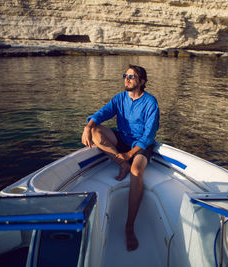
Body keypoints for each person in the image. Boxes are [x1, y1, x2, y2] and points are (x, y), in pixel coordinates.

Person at [81, 64, 160, 251]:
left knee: (136, 170)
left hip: (141, 145)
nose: (127, 79)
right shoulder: (120, 98)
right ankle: (121, 163)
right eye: (125, 75)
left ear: (142, 82)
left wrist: (130, 154)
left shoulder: (150, 102)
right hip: (122, 139)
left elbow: (149, 135)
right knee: (95, 131)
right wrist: (88, 126)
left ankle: (129, 225)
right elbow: (102, 113)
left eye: (132, 77)